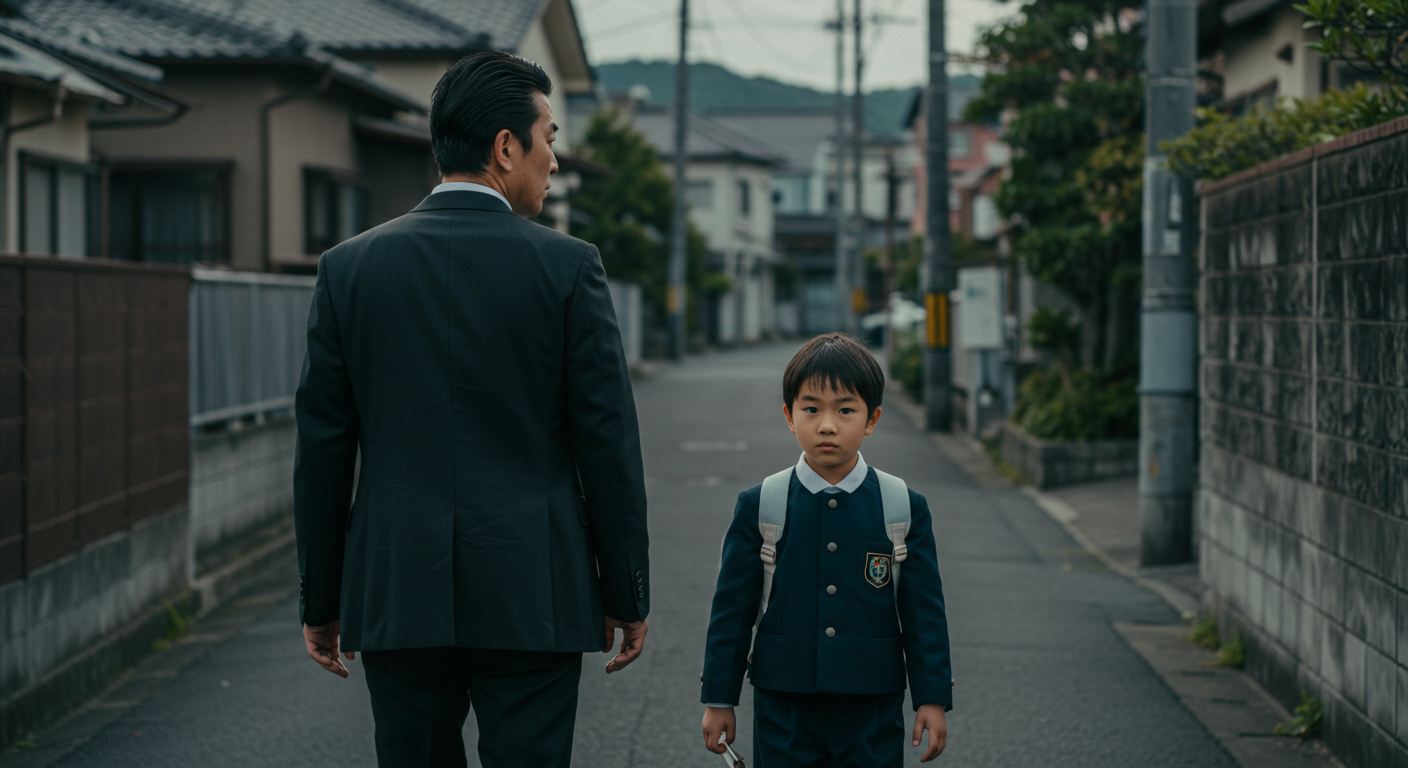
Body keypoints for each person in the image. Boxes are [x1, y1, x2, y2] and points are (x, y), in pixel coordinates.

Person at [294, 51, 649, 768]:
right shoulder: (568, 267)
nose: (555, 160)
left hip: (396, 588)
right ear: (505, 147)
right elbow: (605, 440)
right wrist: (626, 590)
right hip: (534, 589)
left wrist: (322, 599)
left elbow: (324, 450)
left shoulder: (349, 269)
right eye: (548, 137)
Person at [699, 333, 952, 766]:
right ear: (789, 415)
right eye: (811, 409)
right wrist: (720, 698)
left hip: (872, 701)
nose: (827, 425)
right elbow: (732, 611)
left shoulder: (903, 506)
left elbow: (923, 612)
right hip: (785, 704)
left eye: (846, 410)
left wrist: (932, 698)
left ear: (871, 419)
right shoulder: (761, 504)